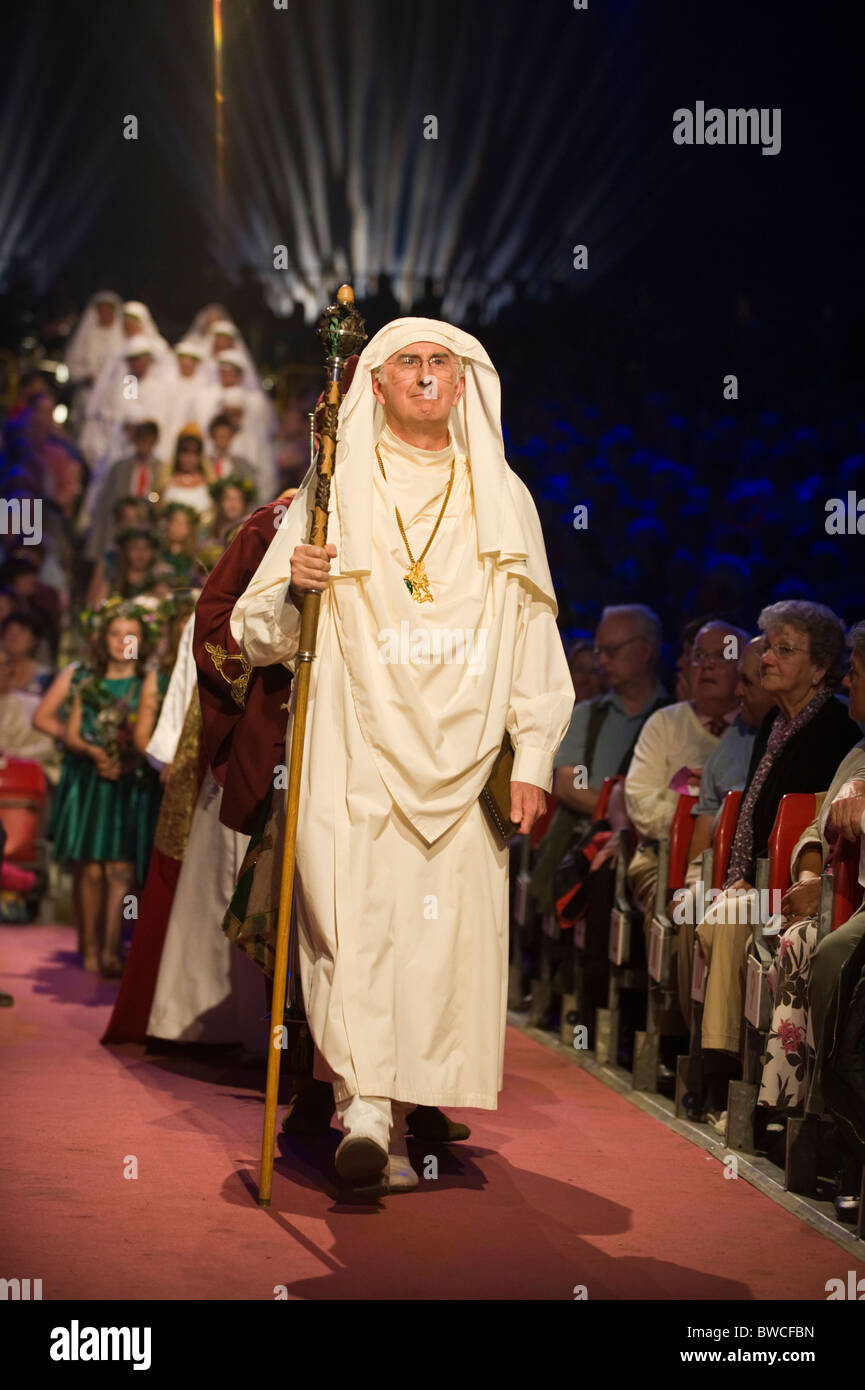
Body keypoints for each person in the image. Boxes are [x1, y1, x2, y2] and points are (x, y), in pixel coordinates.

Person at [230, 317, 574, 1194]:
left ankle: (397, 1111)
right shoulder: (333, 485)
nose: (425, 376)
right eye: (407, 362)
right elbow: (256, 630)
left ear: (465, 384)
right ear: (374, 384)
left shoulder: (505, 497)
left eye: (441, 363)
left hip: (463, 753)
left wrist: (532, 752)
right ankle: (366, 1109)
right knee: (348, 925)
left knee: (436, 941)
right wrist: (295, 586)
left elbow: (535, 633)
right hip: (351, 739)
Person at [694, 600, 861, 1123]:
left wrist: (758, 883)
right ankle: (719, 1063)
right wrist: (738, 876)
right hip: (767, 878)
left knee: (723, 917)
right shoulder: (776, 723)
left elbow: (812, 828)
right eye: (766, 646)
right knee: (696, 906)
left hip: (795, 887)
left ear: (820, 669)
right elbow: (759, 816)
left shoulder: (833, 731)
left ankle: (726, 1078)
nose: (766, 657)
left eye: (784, 649)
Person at [50, 601, 151, 975]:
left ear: (142, 641)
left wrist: (129, 759)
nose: (122, 642)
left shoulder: (147, 682)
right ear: (102, 637)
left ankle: (113, 948)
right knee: (90, 870)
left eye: (131, 635)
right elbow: (65, 727)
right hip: (92, 783)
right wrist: (93, 750)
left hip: (128, 784)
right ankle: (88, 946)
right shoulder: (86, 680)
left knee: (121, 871)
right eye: (114, 633)